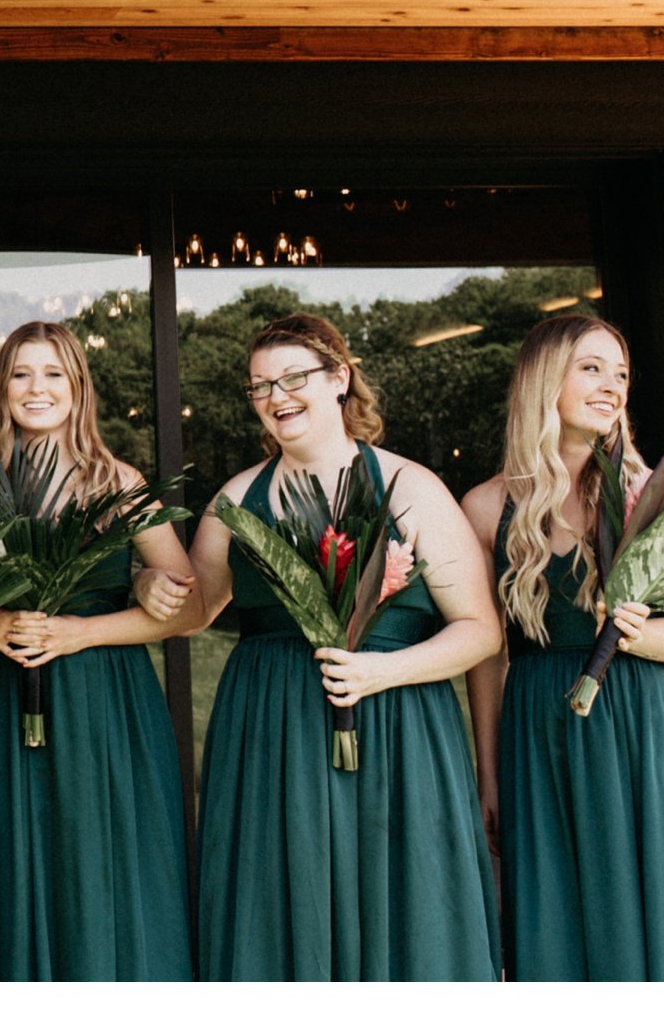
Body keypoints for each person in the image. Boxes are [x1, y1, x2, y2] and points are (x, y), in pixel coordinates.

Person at [186, 312, 501, 979]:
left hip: (397, 730)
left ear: (339, 379)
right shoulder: (236, 499)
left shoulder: (410, 487)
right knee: (277, 904)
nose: (276, 396)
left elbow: (480, 629)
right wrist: (155, 586)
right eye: (259, 386)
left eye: (293, 377)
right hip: (270, 733)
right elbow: (195, 609)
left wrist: (382, 672)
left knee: (404, 905)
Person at [462, 317, 664, 979]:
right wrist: (488, 775)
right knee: (556, 925)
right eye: (592, 368)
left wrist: (635, 630)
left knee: (652, 920)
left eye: (621, 373)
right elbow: (488, 657)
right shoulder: (483, 507)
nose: (612, 386)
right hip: (536, 728)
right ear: (543, 381)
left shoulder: (659, 496)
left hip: (641, 727)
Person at [0, 320, 200, 980]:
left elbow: (190, 607)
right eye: (20, 374)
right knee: (22, 851)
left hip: (106, 697)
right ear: (1, 388)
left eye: (53, 374)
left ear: (78, 387)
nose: (36, 389)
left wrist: (112, 612)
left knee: (107, 856)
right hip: (11, 694)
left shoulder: (115, 480)